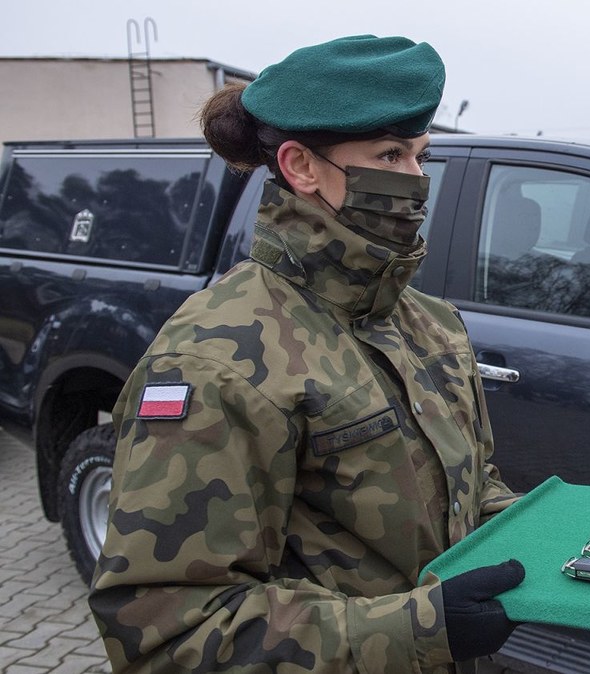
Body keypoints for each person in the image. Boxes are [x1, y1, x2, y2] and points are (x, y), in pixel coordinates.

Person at [88, 35, 525, 672]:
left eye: (421, 156)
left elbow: (471, 487)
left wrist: (546, 534)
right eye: (389, 155)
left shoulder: (429, 323)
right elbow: (167, 632)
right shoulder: (215, 360)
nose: (416, 181)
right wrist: (422, 629)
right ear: (301, 167)